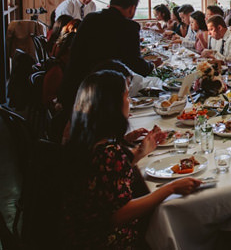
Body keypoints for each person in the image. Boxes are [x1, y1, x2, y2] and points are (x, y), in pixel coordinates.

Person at [62, 71, 200, 247]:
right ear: (111, 106)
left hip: (77, 230)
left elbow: (106, 180)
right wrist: (170, 188)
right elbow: (119, 214)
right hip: (103, 239)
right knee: (178, 219)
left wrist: (140, 152)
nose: (130, 103)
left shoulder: (82, 138)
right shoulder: (108, 153)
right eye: (127, 97)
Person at [60, 0, 158, 114]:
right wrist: (153, 66)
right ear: (132, 8)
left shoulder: (90, 18)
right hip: (99, 96)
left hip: (73, 87)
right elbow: (135, 63)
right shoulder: (128, 26)